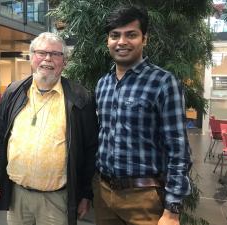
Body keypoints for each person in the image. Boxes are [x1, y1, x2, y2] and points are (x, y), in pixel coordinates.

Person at [93, 4, 192, 225]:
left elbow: (178, 149)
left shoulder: (163, 83)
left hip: (144, 198)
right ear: (107, 41)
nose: (121, 42)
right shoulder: (102, 84)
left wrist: (172, 209)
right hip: (103, 193)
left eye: (131, 35)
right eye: (115, 35)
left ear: (144, 39)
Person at [0, 32, 98, 225]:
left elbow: (90, 149)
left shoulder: (81, 98)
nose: (48, 59)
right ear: (31, 57)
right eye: (41, 52)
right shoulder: (14, 92)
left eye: (55, 54)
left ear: (64, 61)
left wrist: (85, 194)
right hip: (17, 196)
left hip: (57, 200)